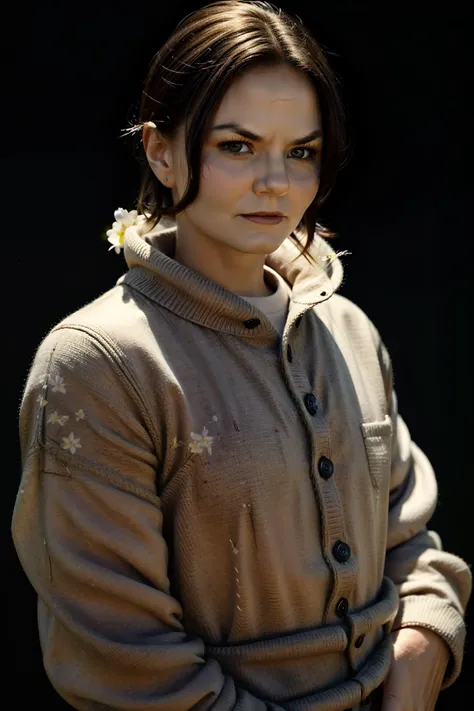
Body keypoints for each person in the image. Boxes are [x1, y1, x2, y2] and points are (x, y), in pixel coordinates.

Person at [12, 2, 471, 711]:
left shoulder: (348, 331)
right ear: (161, 151)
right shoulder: (97, 363)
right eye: (237, 145)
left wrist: (415, 661)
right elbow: (124, 657)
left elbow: (414, 545)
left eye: (301, 151)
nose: (275, 182)